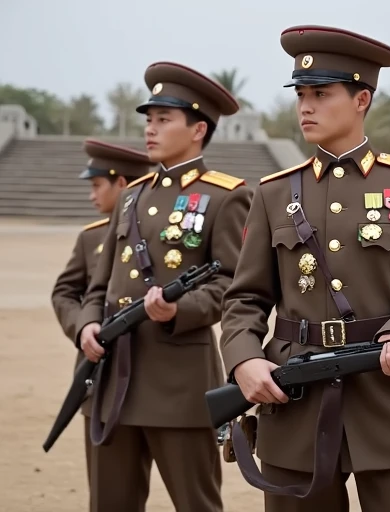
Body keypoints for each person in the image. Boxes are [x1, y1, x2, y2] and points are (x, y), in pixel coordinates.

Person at [219, 24, 390, 512]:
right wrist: (244, 360)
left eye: (322, 94)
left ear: (361, 99)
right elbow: (244, 299)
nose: (305, 106)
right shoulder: (272, 193)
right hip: (294, 399)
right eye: (301, 94)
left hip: (388, 392)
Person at [76, 61, 253, 512]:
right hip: (114, 381)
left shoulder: (225, 196)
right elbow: (99, 285)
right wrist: (87, 325)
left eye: (163, 120)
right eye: (148, 120)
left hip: (179, 387)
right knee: (109, 503)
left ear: (198, 129)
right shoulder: (131, 195)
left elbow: (235, 285)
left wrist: (181, 309)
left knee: (197, 504)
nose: (150, 130)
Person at [51, 139, 154, 490]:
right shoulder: (89, 238)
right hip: (105, 375)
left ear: (123, 185)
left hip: (163, 374)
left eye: (97, 186)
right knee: (109, 493)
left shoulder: (163, 233)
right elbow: (65, 292)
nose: (91, 195)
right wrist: (83, 327)